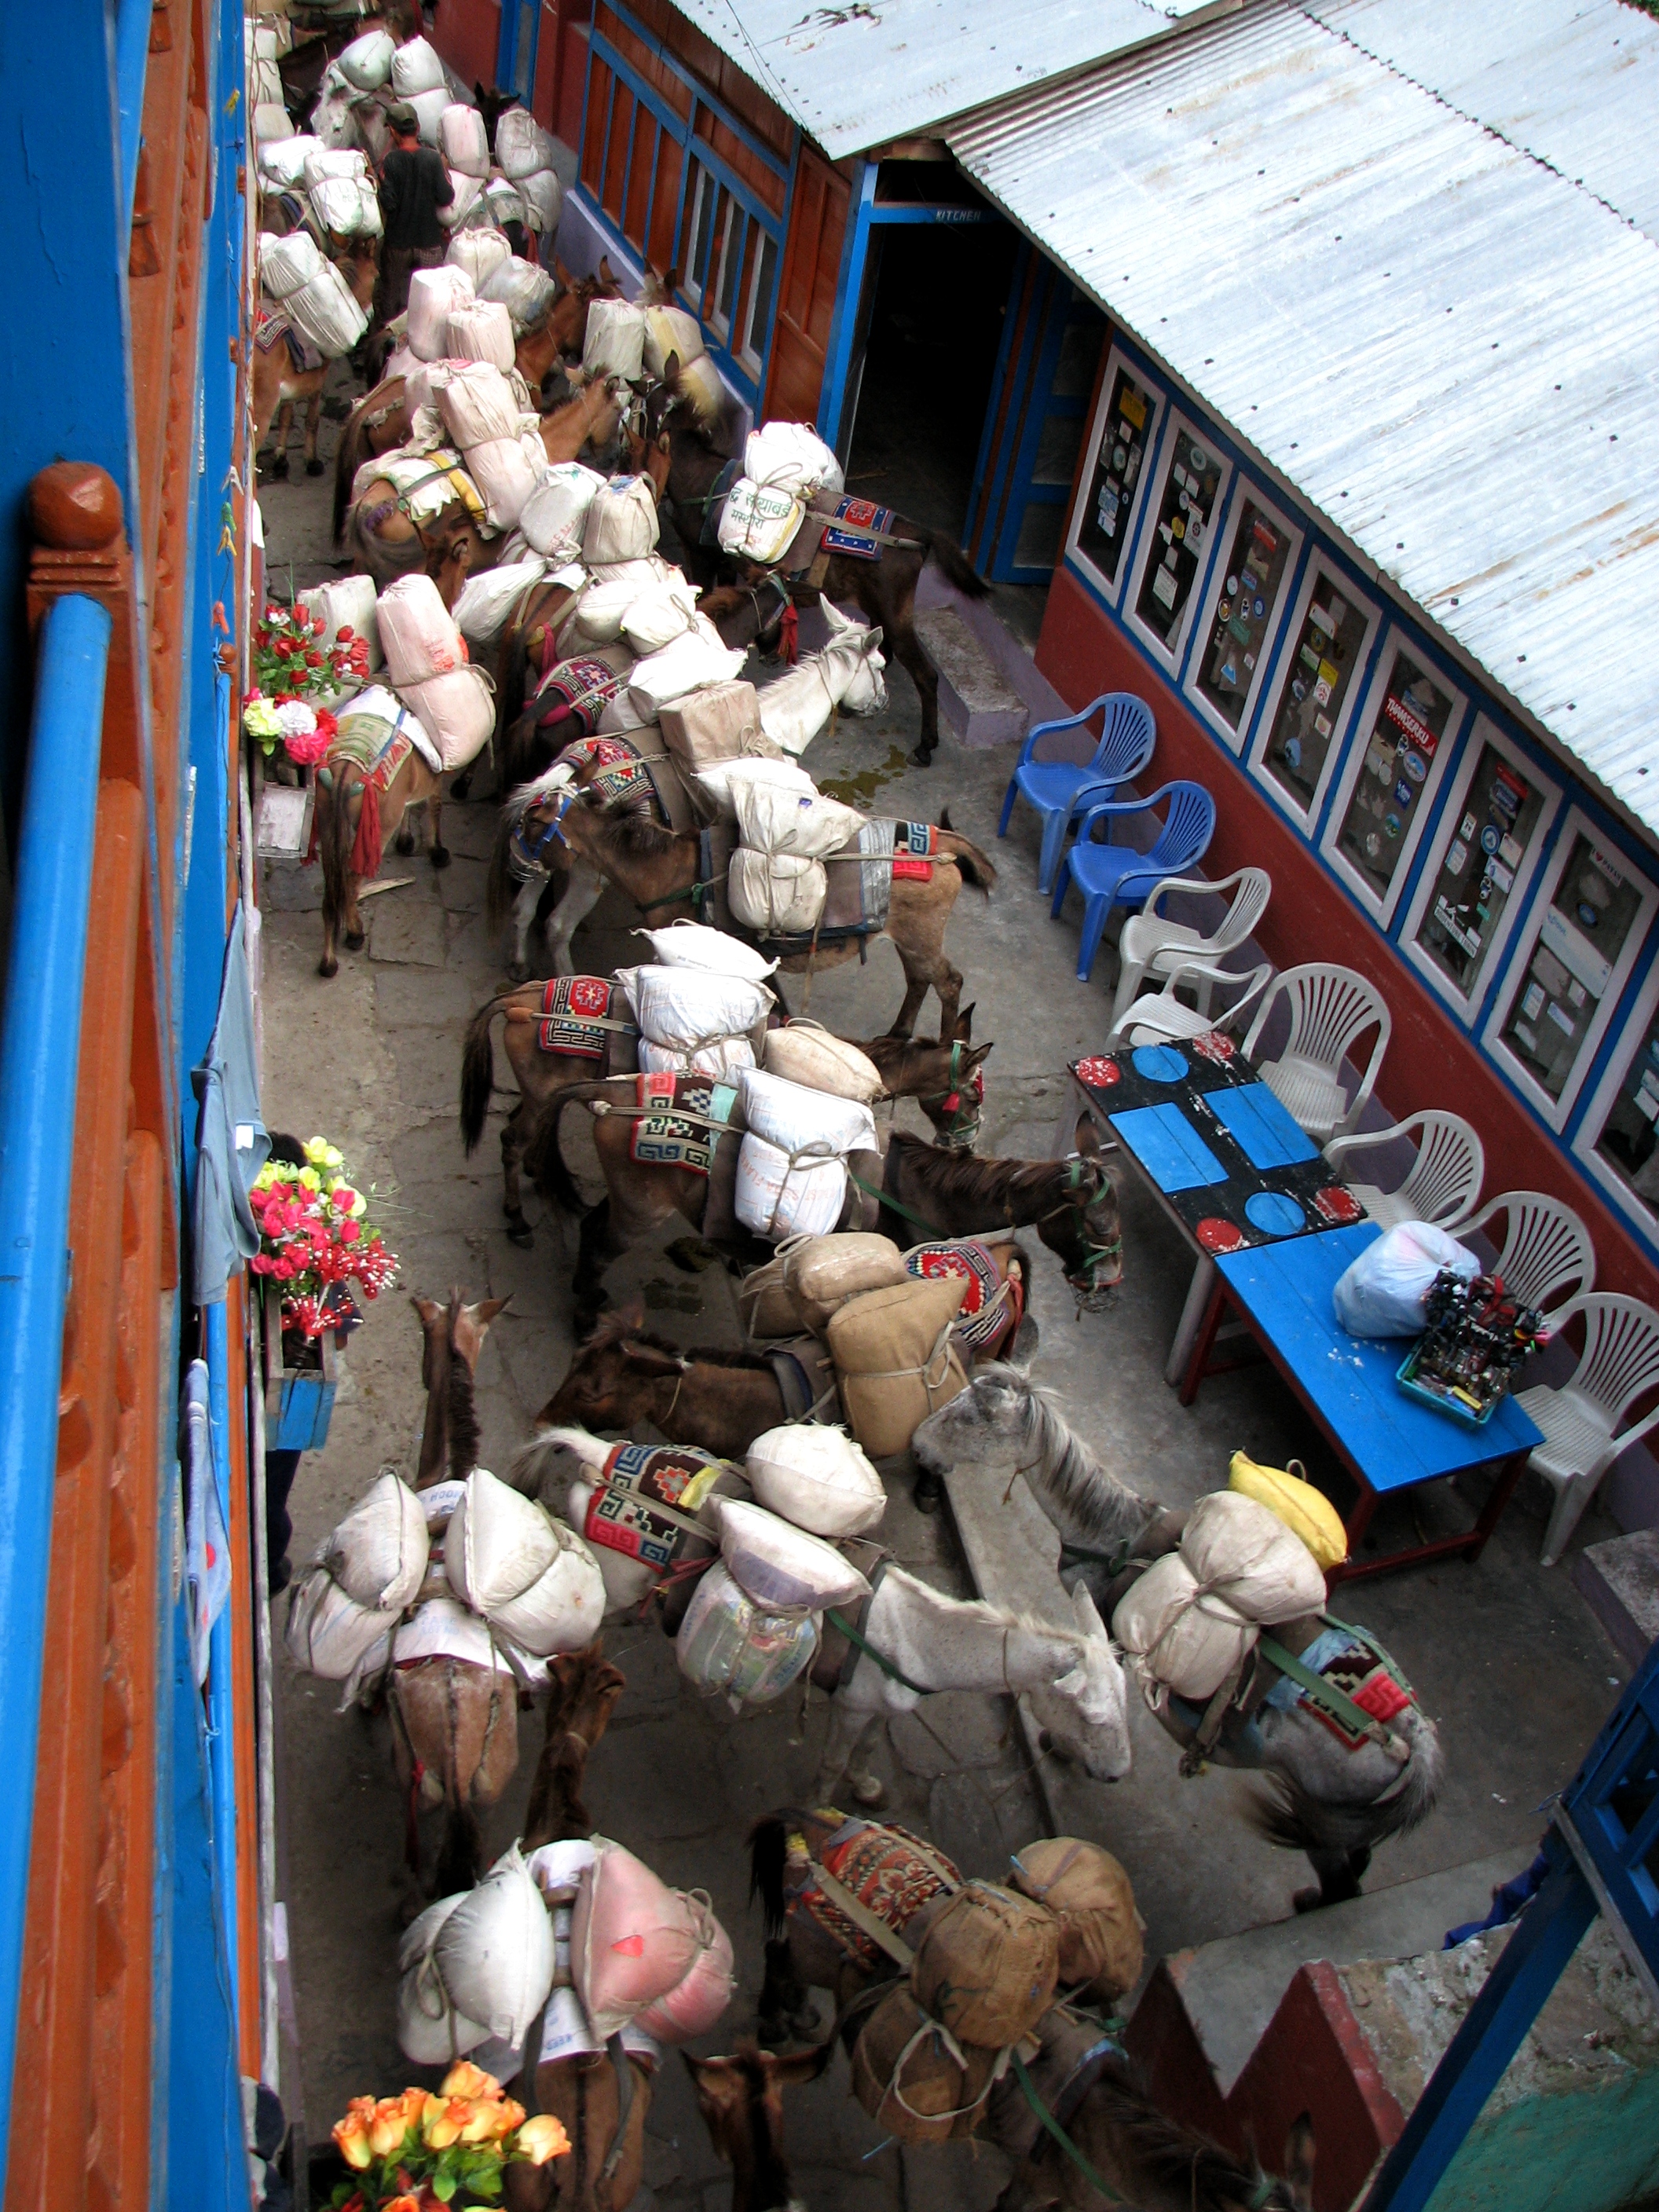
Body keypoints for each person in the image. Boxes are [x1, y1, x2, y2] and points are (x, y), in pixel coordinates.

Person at [375, 100, 453, 327]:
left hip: (398, 245)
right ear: (418, 129)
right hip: (429, 244)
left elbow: (389, 203)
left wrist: (380, 182)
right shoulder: (432, 159)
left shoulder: (390, 161)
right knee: (432, 298)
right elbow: (446, 197)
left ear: (392, 132)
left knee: (390, 297)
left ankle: (386, 334)